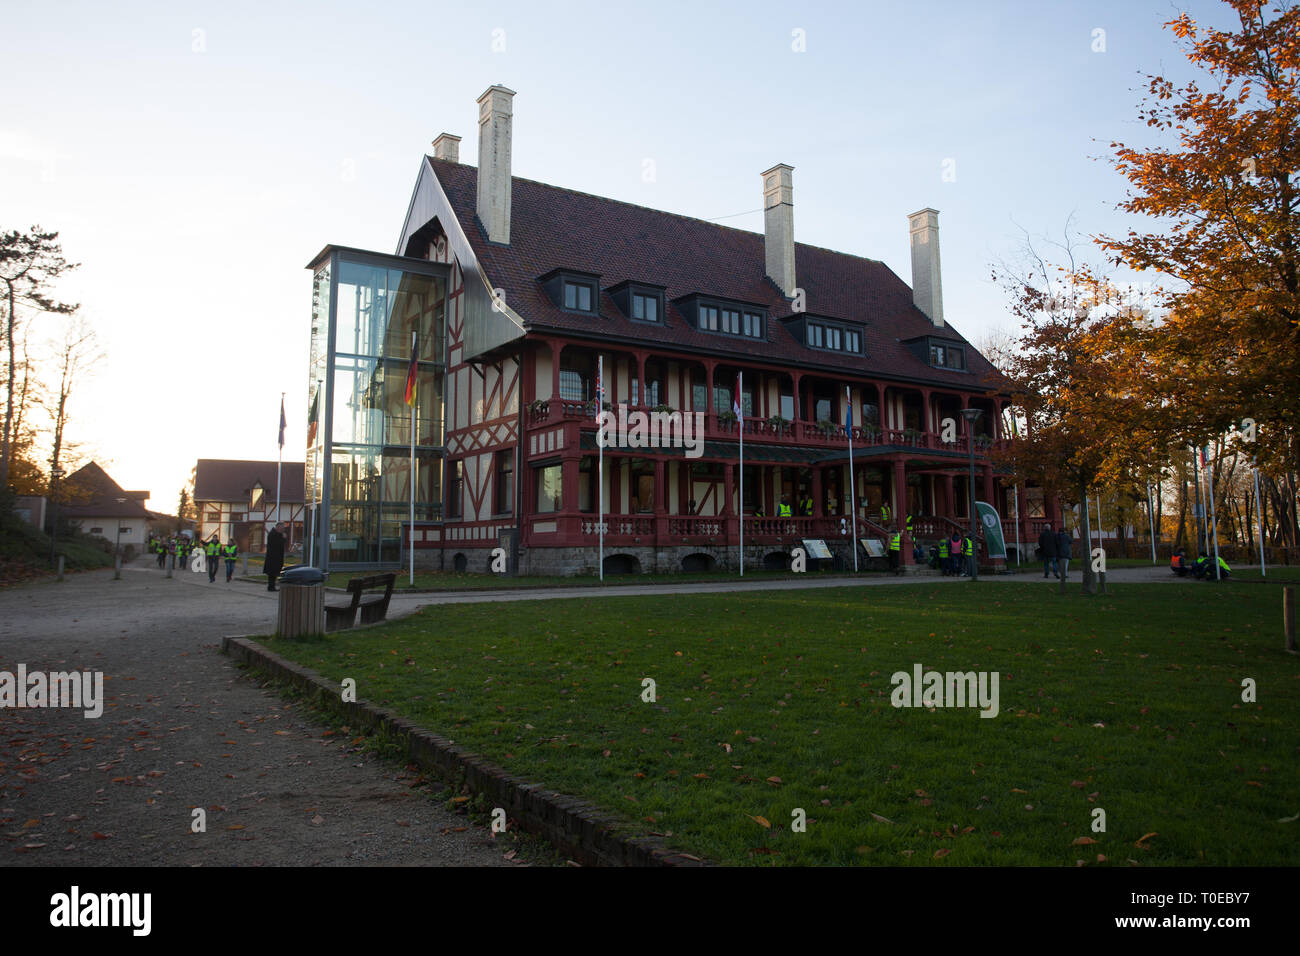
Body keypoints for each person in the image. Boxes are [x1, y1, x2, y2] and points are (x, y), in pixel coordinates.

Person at [265, 522, 286, 592]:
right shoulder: (273, 534)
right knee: (272, 573)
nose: (283, 530)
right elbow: (277, 545)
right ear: (278, 527)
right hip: (273, 558)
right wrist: (283, 538)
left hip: (275, 557)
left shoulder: (275, 534)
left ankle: (271, 586)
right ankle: (271, 587)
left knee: (274, 573)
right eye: (282, 528)